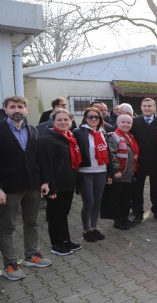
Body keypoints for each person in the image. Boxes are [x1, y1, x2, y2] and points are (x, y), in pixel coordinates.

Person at [0, 96, 52, 281]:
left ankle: (31, 255)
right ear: (5, 110)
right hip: (9, 189)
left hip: (32, 186)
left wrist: (45, 181)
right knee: (7, 228)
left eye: (20, 106)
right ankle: (10, 264)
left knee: (32, 223)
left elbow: (39, 158)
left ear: (26, 110)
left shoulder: (32, 130)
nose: (17, 110)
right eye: (12, 107)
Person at [40, 109, 82, 256]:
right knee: (54, 216)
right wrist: (50, 187)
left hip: (68, 184)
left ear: (71, 122)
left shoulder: (70, 137)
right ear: (54, 121)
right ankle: (56, 244)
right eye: (59, 120)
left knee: (63, 214)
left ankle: (65, 240)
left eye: (66, 119)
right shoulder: (48, 138)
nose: (63, 122)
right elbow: (45, 164)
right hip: (55, 186)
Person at [73, 107, 112, 243]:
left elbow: (109, 155)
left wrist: (109, 173)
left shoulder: (103, 132)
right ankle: (86, 230)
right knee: (89, 202)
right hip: (85, 173)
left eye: (97, 117)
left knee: (97, 202)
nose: (94, 119)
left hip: (101, 171)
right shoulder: (78, 132)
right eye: (91, 116)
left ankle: (94, 227)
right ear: (85, 118)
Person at [130, 98, 157, 224]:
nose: (147, 108)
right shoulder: (134, 122)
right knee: (137, 190)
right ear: (141, 107)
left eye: (149, 106)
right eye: (144, 106)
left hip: (156, 161)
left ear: (154, 107)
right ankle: (138, 213)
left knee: (156, 189)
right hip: (139, 162)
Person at [106, 114, 140, 230]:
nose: (126, 124)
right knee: (118, 199)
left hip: (129, 174)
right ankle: (118, 221)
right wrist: (116, 170)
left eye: (128, 122)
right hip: (120, 174)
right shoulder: (113, 136)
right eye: (123, 122)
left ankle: (124, 218)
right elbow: (112, 155)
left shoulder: (130, 136)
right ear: (118, 123)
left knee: (126, 199)